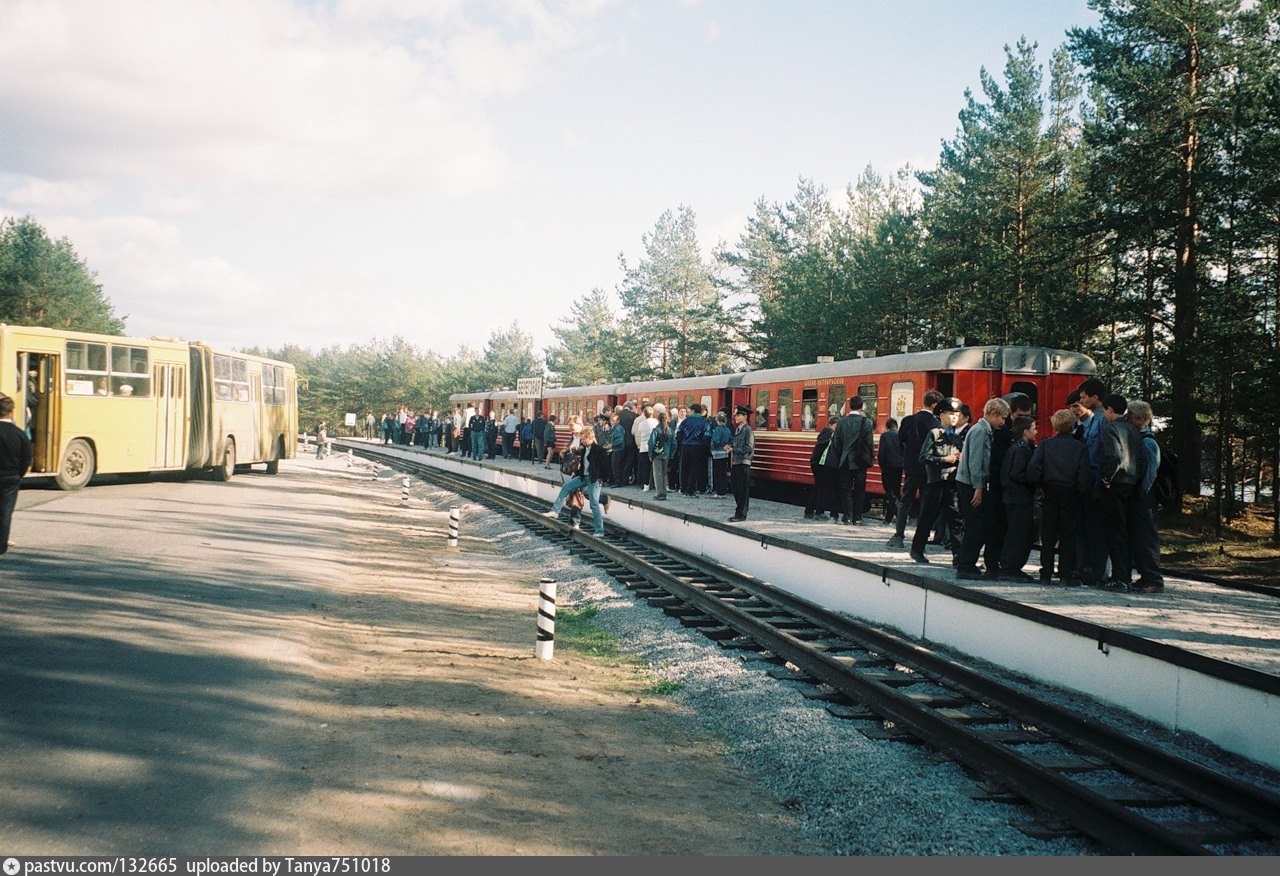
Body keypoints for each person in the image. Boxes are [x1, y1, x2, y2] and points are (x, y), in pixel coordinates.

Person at [1027, 409, 1091, 585]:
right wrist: (1080, 490)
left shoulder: (1046, 444)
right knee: (1067, 535)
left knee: (1048, 534)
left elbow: (1033, 467)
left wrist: (1039, 485)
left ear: (1055, 426)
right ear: (1072, 426)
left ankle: (1046, 573)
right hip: (1070, 492)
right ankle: (1065, 574)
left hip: (1050, 490)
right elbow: (1084, 475)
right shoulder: (1080, 447)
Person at [954, 397, 1011, 580]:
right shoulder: (981, 432)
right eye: (1002, 418)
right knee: (976, 525)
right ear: (993, 414)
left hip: (969, 482)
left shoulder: (981, 430)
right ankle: (966, 565)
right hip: (970, 484)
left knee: (977, 524)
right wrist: (978, 488)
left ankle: (967, 563)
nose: (1003, 422)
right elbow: (975, 462)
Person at [1097, 393, 1145, 591]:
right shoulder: (1134, 430)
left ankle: (1118, 577)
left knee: (1114, 531)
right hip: (1132, 484)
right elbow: (1142, 459)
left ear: (1109, 409)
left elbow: (1114, 456)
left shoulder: (1111, 429)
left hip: (1116, 483)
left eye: (1105, 411)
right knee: (1126, 531)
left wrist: (1106, 478)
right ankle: (1126, 575)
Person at [908, 398, 963, 564]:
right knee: (928, 517)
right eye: (950, 414)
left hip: (952, 481)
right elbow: (923, 457)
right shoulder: (934, 434)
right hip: (936, 482)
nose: (954, 417)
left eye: (957, 414)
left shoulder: (958, 436)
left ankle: (958, 555)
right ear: (941, 415)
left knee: (955, 519)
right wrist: (945, 459)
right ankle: (916, 550)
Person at [888, 390, 945, 547]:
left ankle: (898, 536)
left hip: (912, 469)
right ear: (934, 405)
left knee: (905, 501)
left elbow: (901, 442)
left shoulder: (908, 420)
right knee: (925, 505)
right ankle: (921, 538)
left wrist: (908, 457)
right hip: (929, 470)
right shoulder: (937, 425)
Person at [542, 427, 609, 536]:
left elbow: (606, 466)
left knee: (594, 504)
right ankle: (555, 511)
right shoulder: (585, 449)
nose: (582, 441)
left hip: (594, 479)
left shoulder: (598, 450)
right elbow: (582, 462)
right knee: (566, 487)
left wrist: (602, 480)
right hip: (583, 477)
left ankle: (599, 530)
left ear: (589, 437)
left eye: (583, 439)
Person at [1127, 400, 1164, 594]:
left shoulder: (1148, 441)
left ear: (1141, 419)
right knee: (1139, 537)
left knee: (1146, 537)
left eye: (1131, 417)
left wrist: (1142, 492)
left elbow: (1151, 471)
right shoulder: (1140, 438)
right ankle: (1145, 575)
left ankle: (1153, 578)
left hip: (1145, 496)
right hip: (1140, 495)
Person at [996, 416, 1038, 581]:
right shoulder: (1022, 449)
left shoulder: (1015, 447)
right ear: (1026, 432)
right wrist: (1033, 481)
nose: (1036, 432)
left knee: (1014, 532)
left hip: (1011, 496)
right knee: (1019, 534)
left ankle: (1009, 565)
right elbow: (1017, 473)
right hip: (1019, 497)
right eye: (1034, 428)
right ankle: (1011, 567)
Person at [829, 396, 873, 525]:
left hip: (845, 461)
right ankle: (858, 517)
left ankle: (847, 516)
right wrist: (870, 456)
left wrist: (843, 452)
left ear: (850, 406)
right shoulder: (868, 423)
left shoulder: (841, 423)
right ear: (861, 406)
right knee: (860, 490)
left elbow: (836, 442)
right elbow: (869, 443)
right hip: (861, 461)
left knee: (846, 489)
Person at [0, 395, 33, 554]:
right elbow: (27, 458)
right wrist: (18, 474)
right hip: (10, 477)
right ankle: (1, 546)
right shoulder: (19, 434)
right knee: (5, 513)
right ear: (11, 413)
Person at [805, 415, 838, 520]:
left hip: (819, 463)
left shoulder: (828, 433)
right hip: (820, 464)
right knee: (821, 487)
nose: (837, 428)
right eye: (836, 425)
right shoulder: (827, 433)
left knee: (819, 487)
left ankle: (810, 511)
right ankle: (819, 512)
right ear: (831, 425)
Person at [677, 404, 711, 497]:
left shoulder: (685, 421)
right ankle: (690, 490)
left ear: (692, 410)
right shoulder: (704, 422)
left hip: (685, 446)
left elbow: (679, 433)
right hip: (697, 447)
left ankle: (683, 489)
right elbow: (707, 435)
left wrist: (681, 443)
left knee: (684, 468)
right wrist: (702, 445)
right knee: (694, 469)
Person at [727, 405, 754, 521]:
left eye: (738, 415)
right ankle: (738, 512)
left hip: (744, 463)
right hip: (736, 463)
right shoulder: (738, 429)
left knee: (742, 490)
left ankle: (742, 514)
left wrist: (734, 449)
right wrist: (731, 446)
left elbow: (748, 448)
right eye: (736, 415)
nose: (736, 417)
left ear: (745, 416)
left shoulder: (748, 430)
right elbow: (737, 444)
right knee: (737, 489)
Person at [878, 417, 904, 523]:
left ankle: (899, 514)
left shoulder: (884, 436)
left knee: (889, 492)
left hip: (887, 467)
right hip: (899, 467)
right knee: (896, 491)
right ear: (896, 426)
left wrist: (882, 466)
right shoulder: (900, 435)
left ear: (887, 426)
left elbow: (881, 453)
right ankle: (888, 519)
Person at [648, 410, 674, 500]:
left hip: (657, 455)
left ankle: (660, 493)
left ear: (658, 420)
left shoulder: (656, 430)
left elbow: (651, 443)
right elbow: (674, 444)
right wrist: (671, 454)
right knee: (664, 474)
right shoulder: (670, 430)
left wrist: (650, 454)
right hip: (666, 454)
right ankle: (664, 493)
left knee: (657, 474)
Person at [710, 411, 733, 498]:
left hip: (717, 453)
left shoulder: (717, 429)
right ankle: (723, 492)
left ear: (717, 420)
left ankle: (719, 492)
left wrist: (713, 447)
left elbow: (716, 441)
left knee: (718, 473)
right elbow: (731, 440)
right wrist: (727, 446)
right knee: (723, 473)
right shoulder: (728, 430)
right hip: (725, 454)